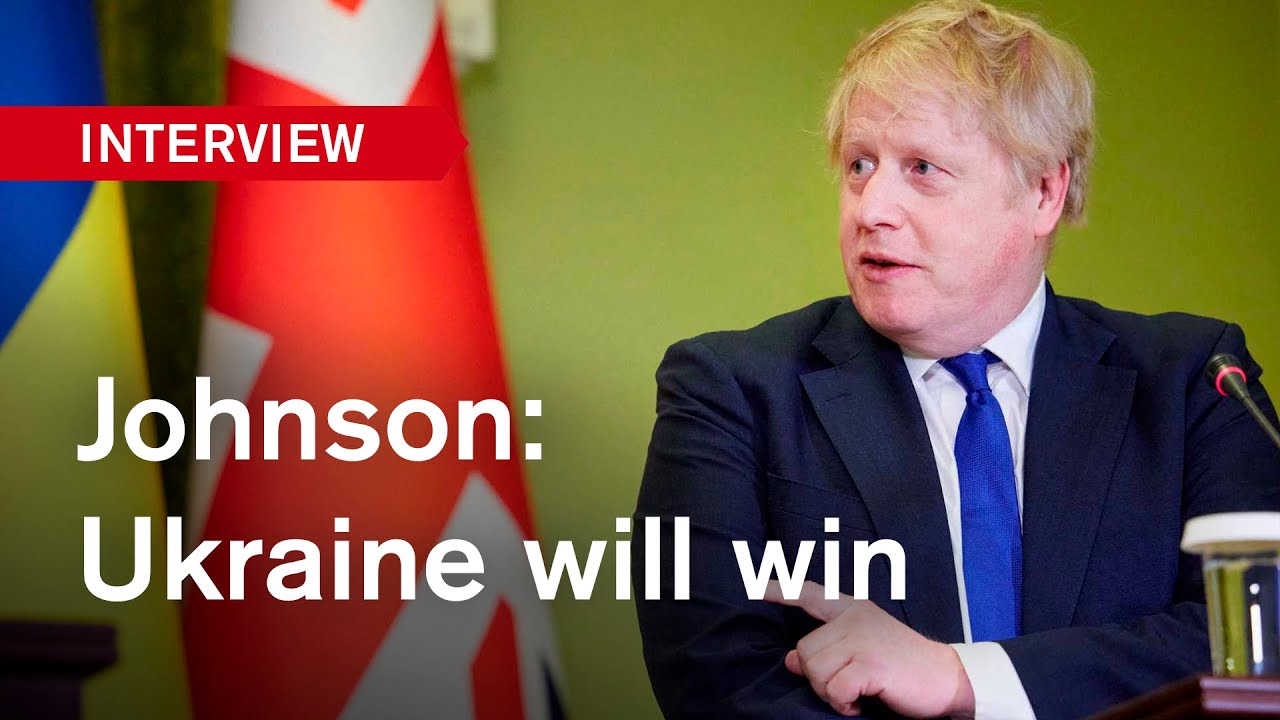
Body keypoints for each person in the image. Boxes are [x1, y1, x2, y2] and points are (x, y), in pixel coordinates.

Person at [632, 1, 1280, 719]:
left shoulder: (1200, 381)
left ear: (1043, 192)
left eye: (923, 168)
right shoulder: (728, 391)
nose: (871, 207)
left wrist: (962, 678)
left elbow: (1255, 642)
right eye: (859, 165)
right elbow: (715, 680)